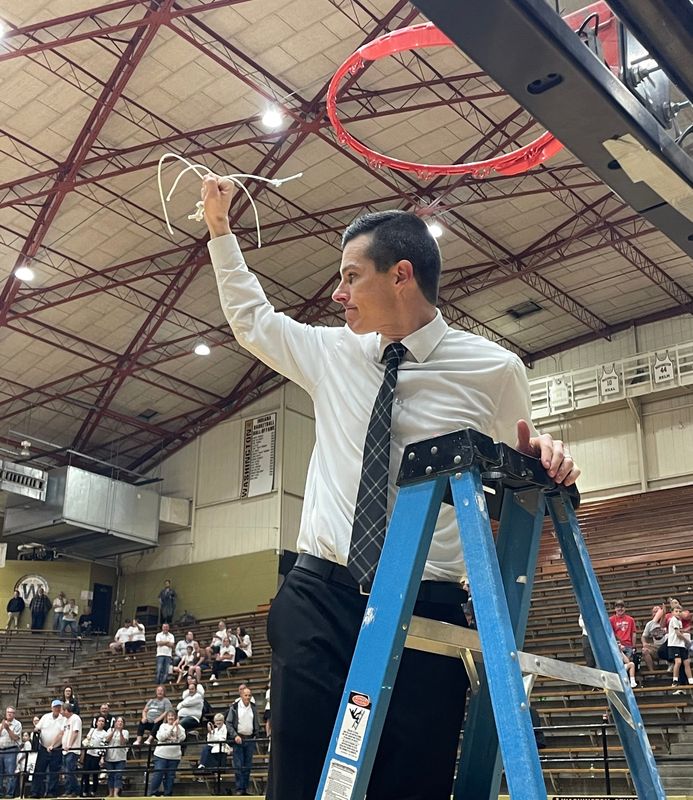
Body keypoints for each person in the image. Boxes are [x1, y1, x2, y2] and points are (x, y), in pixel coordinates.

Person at [201, 182, 579, 800]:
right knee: (299, 779)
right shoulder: (332, 353)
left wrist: (552, 462)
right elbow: (252, 321)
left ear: (401, 274)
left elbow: (521, 470)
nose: (337, 292)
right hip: (320, 593)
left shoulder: (494, 369)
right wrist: (221, 230)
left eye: (351, 276)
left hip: (426, 603)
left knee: (411, 780)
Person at [226, 687, 259, 797]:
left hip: (250, 739)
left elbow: (256, 722)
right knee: (239, 765)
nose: (248, 697)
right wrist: (235, 735)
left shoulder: (253, 707)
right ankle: (239, 788)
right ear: (241, 695)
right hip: (238, 739)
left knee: (248, 766)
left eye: (249, 695)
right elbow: (229, 723)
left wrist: (256, 734)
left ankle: (244, 788)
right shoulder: (234, 707)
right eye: (246, 695)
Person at [30, 700, 65, 799]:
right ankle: (35, 792)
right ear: (52, 708)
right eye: (55, 707)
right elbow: (37, 728)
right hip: (44, 748)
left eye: (59, 707)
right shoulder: (45, 717)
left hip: (56, 748)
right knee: (39, 770)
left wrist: (53, 745)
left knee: (54, 771)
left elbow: (61, 733)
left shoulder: (63, 719)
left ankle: (51, 792)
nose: (57, 709)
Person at [148, 712, 185, 797]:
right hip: (161, 755)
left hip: (174, 756)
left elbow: (182, 738)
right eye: (169, 716)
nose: (171, 717)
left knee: (170, 776)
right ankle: (153, 793)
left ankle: (167, 794)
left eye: (172, 716)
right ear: (166, 717)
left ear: (175, 717)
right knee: (159, 773)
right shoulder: (162, 726)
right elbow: (161, 737)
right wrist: (172, 728)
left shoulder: (180, 727)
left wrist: (177, 727)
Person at [81, 716, 108, 797]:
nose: (101, 722)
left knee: (95, 774)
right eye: (99, 721)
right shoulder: (92, 730)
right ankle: (85, 790)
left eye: (102, 721)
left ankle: (94, 791)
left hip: (97, 756)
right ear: (96, 722)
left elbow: (104, 746)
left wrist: (102, 757)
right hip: (89, 754)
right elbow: (87, 740)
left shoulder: (105, 733)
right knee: (86, 774)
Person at [668, 605, 693, 694]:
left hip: (681, 645)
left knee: (686, 662)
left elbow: (681, 631)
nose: (678, 613)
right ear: (672, 612)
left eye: (679, 611)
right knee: (678, 662)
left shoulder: (679, 621)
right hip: (674, 644)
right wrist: (687, 641)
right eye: (676, 611)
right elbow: (678, 634)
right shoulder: (673, 620)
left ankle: (691, 680)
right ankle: (675, 680)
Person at [60, 703, 82, 798]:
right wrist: (52, 744)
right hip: (65, 750)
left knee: (70, 770)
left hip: (73, 750)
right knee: (66, 771)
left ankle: (76, 790)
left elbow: (75, 732)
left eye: (62, 710)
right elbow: (61, 733)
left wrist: (70, 744)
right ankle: (68, 790)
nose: (61, 712)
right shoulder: (65, 720)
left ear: (66, 710)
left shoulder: (75, 718)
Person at [104, 717, 129, 798]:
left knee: (118, 775)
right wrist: (114, 731)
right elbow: (107, 740)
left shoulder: (125, 732)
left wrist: (120, 732)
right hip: (109, 757)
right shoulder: (109, 730)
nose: (120, 723)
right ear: (115, 723)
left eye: (121, 722)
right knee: (110, 775)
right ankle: (110, 793)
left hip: (120, 757)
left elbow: (123, 742)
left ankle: (116, 793)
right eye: (118, 721)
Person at [0, 706, 22, 798]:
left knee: (10, 772)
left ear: (14, 714)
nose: (9, 714)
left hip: (11, 749)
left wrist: (8, 729)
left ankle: (9, 793)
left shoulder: (17, 724)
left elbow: (15, 738)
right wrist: (2, 727)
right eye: (8, 712)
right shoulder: (1, 723)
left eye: (11, 712)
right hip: (1, 750)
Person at [641, 605, 669, 672]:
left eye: (657, 611)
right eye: (654, 612)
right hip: (656, 647)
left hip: (667, 646)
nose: (656, 613)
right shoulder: (650, 624)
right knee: (644, 650)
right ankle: (652, 671)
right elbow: (643, 636)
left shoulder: (668, 620)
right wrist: (644, 643)